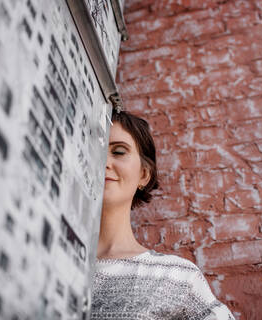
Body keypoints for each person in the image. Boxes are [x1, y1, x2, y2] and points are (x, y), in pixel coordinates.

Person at [90, 107, 235, 319]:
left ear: (144, 175)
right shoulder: (43, 262)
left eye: (119, 151)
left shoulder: (176, 277)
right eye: (94, 150)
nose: (104, 161)